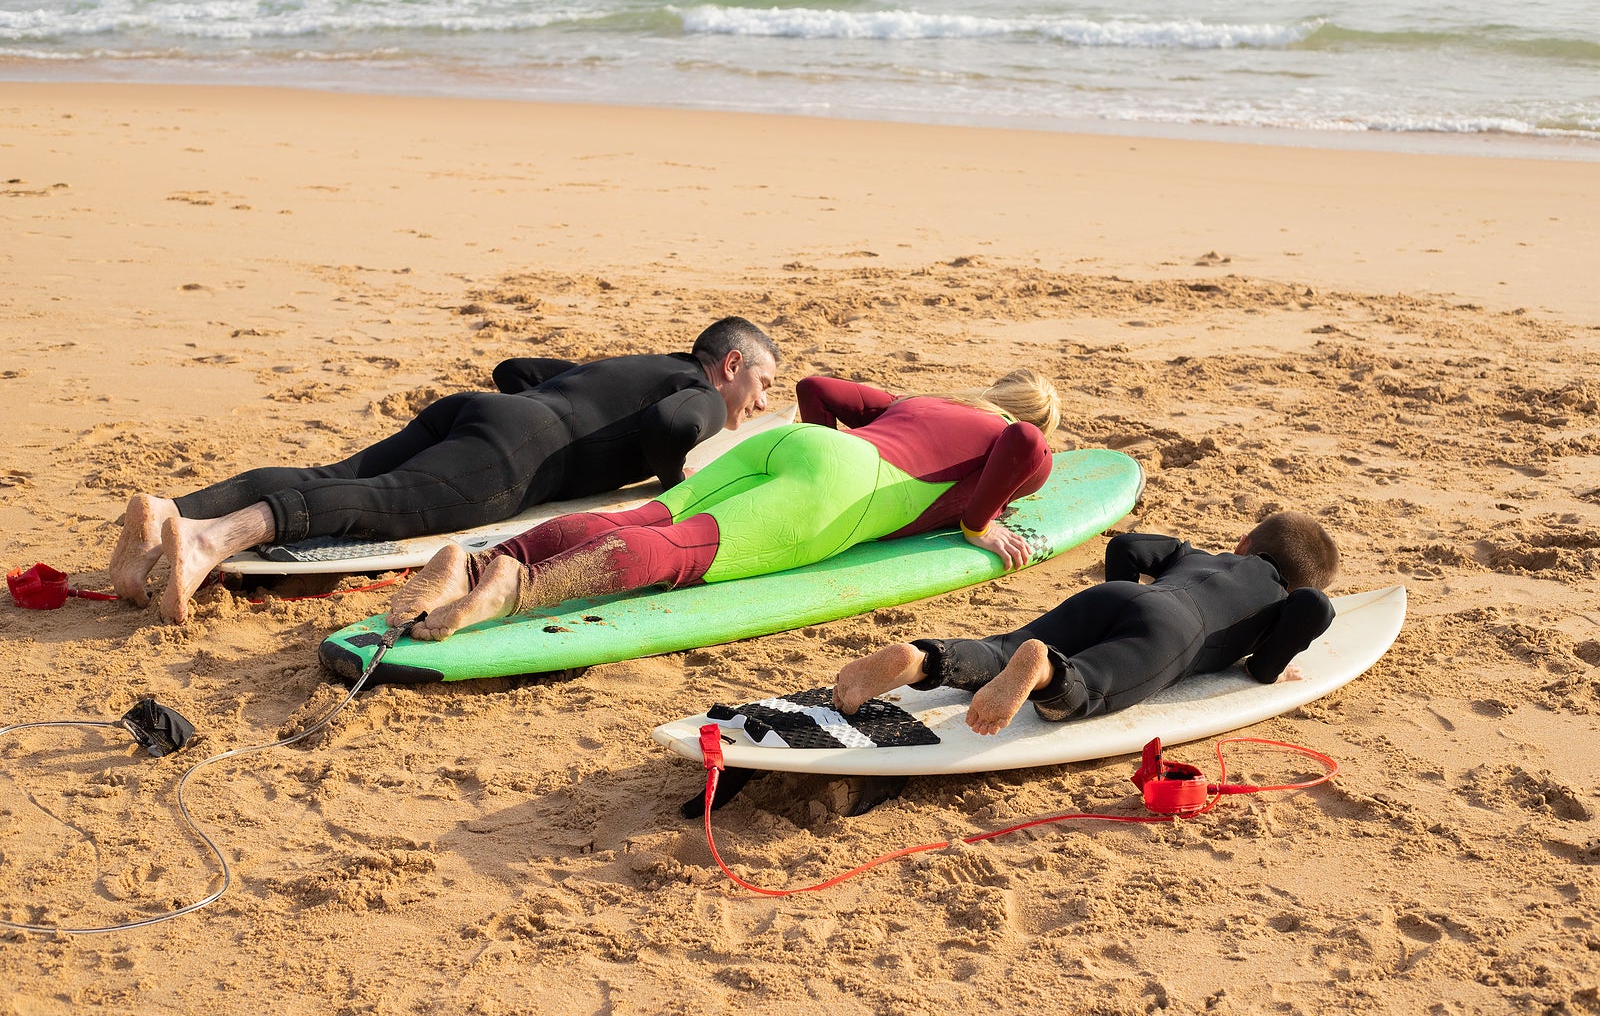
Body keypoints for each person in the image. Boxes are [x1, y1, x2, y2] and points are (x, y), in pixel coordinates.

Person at [110, 316, 781, 625]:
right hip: (514, 457)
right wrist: (679, 489)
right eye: (763, 381)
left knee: (332, 473)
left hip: (479, 412)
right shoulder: (697, 396)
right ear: (728, 365)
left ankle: (170, 514)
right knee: (379, 502)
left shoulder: (640, 367)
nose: (764, 401)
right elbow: (672, 430)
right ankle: (207, 540)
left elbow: (514, 373)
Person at [387, 368, 1064, 641]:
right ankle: (517, 587)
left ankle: (481, 562)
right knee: (681, 553)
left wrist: (818, 457)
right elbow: (1028, 445)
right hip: (845, 491)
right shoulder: (1012, 439)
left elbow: (817, 387)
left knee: (646, 517)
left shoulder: (925, 401)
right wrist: (979, 522)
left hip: (791, 446)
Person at [831, 512, 1340, 735]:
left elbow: (1126, 546)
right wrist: (1269, 666)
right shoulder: (1282, 598)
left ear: (1243, 546)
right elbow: (1314, 609)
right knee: (1085, 690)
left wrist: (1130, 603)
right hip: (1173, 633)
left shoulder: (1196, 553)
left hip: (1120, 596)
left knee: (1003, 648)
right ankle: (1048, 670)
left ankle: (921, 659)